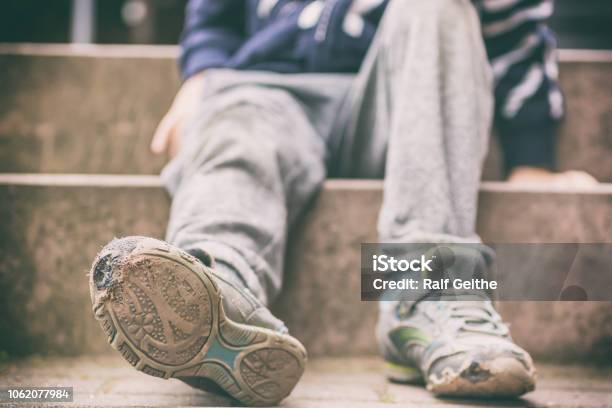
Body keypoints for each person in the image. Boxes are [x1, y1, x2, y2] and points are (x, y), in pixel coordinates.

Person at [88, 0, 595, 405]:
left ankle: (431, 287)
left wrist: (533, 155)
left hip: (402, 97)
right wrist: (203, 73)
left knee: (441, 7)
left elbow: (515, 22)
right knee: (237, 133)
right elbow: (215, 11)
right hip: (269, 84)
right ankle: (216, 288)